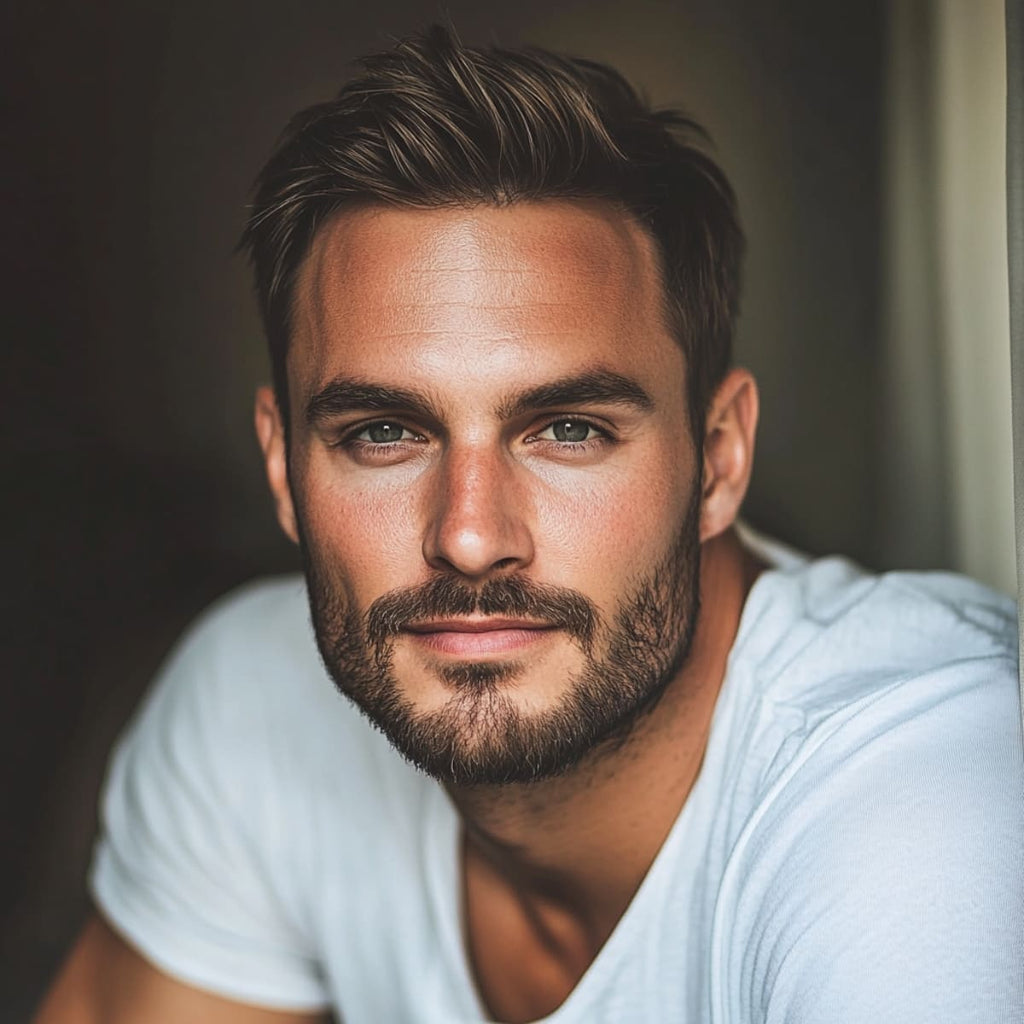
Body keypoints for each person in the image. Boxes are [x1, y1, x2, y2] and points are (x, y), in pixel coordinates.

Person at [34, 25, 1023, 1024]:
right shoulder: (251, 702)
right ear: (283, 468)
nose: (469, 537)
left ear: (718, 458)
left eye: (568, 430)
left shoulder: (928, 803)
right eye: (384, 433)